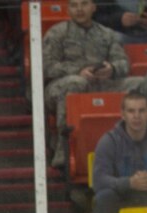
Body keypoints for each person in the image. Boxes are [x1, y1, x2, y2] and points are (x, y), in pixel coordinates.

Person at [43, 0, 131, 168]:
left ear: (94, 7)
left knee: (139, 84)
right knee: (76, 83)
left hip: (101, 83)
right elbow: (46, 67)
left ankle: (134, 145)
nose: (79, 9)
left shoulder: (107, 34)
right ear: (68, 9)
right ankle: (65, 149)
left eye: (84, 4)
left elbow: (123, 62)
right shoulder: (56, 33)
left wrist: (111, 68)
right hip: (62, 85)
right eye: (74, 5)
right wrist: (79, 70)